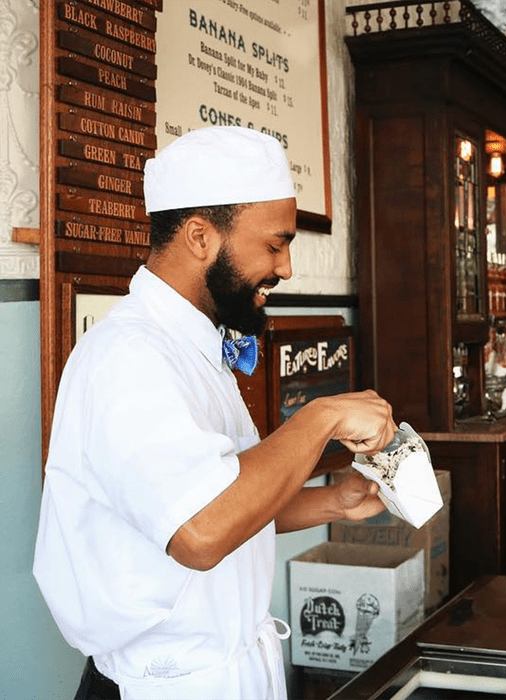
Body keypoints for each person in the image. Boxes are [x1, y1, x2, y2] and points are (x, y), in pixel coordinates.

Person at [33, 126, 397, 700]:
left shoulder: (194, 349)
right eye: (275, 244)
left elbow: (227, 505)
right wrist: (320, 418)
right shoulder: (127, 356)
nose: (286, 267)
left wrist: (331, 500)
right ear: (201, 237)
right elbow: (200, 532)